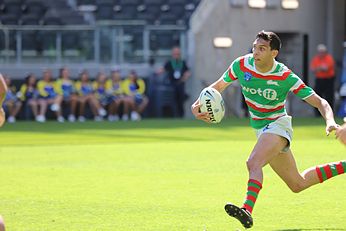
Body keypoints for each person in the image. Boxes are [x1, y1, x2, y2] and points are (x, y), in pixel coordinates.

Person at [191, 31, 343, 229]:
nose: (256, 52)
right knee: (298, 184)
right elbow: (218, 86)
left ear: (274, 53)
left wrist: (330, 121)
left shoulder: (284, 75)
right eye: (255, 47)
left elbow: (320, 102)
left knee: (253, 162)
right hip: (261, 130)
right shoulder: (241, 65)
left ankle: (247, 209)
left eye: (262, 49)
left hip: (278, 125)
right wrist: (198, 105)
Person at [164, 46, 191, 118]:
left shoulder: (182, 62)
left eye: (178, 54)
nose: (176, 55)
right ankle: (173, 115)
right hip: (171, 85)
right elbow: (163, 69)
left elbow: (187, 71)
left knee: (181, 100)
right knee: (172, 100)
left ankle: (181, 115)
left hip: (180, 84)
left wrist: (185, 77)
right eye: (175, 54)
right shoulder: (169, 63)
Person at [310, 44, 336, 115]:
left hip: (328, 80)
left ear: (325, 52)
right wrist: (320, 68)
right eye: (320, 52)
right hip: (319, 80)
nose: (321, 53)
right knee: (316, 96)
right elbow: (313, 69)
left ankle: (330, 113)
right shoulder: (316, 59)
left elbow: (326, 68)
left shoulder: (329, 58)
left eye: (322, 52)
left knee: (329, 97)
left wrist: (318, 68)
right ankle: (317, 114)